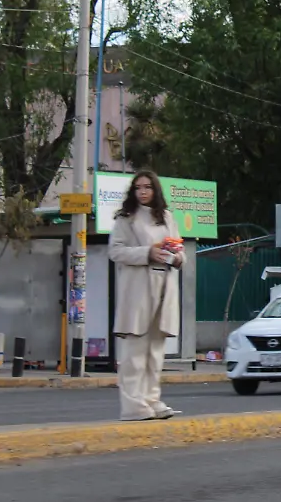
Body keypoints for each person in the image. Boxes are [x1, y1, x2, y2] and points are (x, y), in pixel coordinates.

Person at [108, 170, 186, 422]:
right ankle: (133, 406)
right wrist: (147, 253)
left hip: (165, 284)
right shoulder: (126, 219)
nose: (143, 192)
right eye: (138, 187)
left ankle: (153, 399)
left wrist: (177, 257)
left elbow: (177, 246)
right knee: (134, 351)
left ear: (155, 190)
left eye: (147, 187)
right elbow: (116, 252)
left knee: (155, 351)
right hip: (139, 287)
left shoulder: (167, 217)